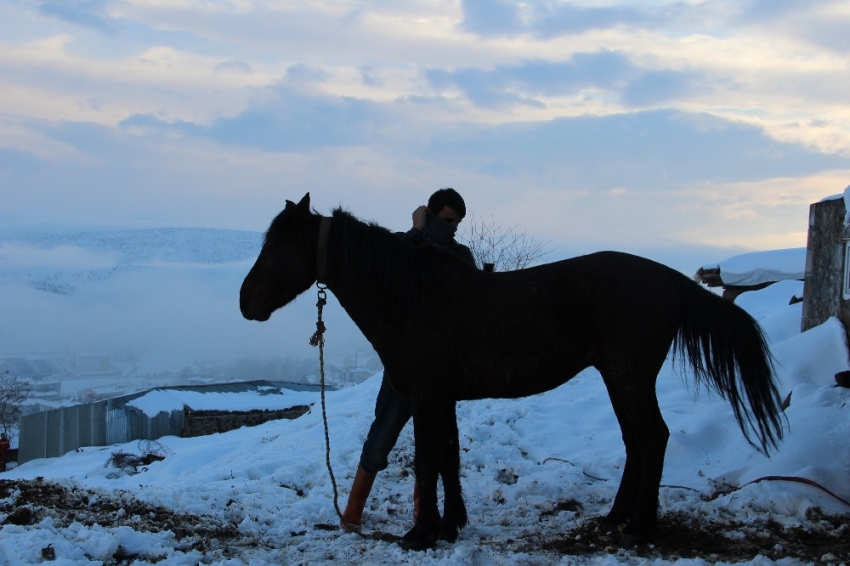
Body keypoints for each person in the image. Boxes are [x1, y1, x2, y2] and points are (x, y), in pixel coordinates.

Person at [340, 188, 477, 532]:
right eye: (447, 221)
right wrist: (416, 232)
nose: (452, 229)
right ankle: (353, 510)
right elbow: (393, 275)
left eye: (456, 224)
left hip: (440, 368)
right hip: (403, 365)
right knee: (382, 436)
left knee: (430, 439)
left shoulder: (460, 255)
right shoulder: (405, 245)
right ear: (429, 215)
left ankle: (422, 510)